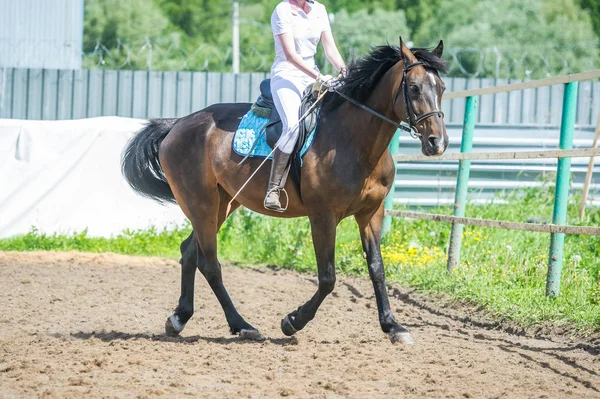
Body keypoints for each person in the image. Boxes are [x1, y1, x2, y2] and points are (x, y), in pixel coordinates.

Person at [264, 0, 346, 212]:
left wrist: (345, 71)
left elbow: (330, 49)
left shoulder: (319, 10)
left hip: (313, 75)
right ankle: (273, 188)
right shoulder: (282, 10)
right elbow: (290, 55)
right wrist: (320, 77)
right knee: (292, 126)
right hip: (287, 75)